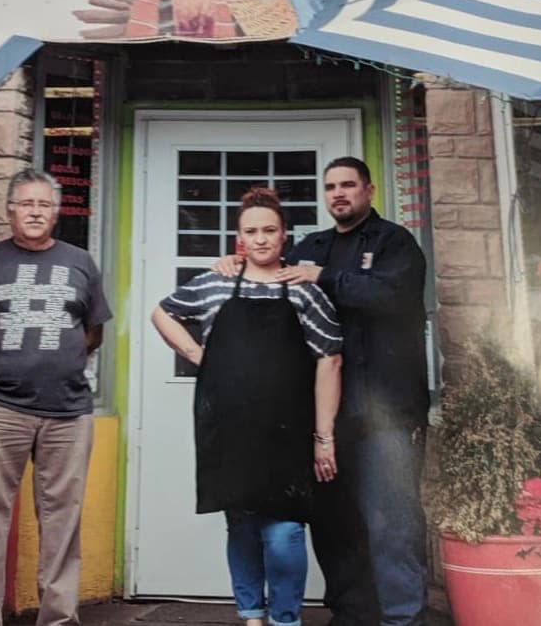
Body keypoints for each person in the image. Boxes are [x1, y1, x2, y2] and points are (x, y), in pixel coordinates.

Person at [216, 158, 430, 626]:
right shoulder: (313, 245)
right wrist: (237, 264)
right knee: (333, 523)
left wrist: (323, 277)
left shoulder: (395, 242)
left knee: (391, 521)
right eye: (330, 186)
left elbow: (391, 298)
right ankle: (352, 613)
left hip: (387, 411)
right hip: (325, 414)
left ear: (368, 190)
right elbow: (269, 276)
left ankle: (403, 617)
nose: (338, 193)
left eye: (348, 185)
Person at [153, 188, 342, 626]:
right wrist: (200, 355)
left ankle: (285, 617)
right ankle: (251, 615)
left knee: (285, 532)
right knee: (240, 525)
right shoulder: (217, 282)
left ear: (284, 236)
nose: (260, 239)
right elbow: (162, 312)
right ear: (239, 238)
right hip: (229, 429)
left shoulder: (302, 291)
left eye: (269, 231)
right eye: (251, 231)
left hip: (287, 432)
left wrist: (324, 437)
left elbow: (330, 359)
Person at [0, 168, 112, 626]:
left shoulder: (81, 262)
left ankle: (58, 618)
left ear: (56, 212)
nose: (35, 212)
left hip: (68, 414)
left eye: (44, 205)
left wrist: (50, 363)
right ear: (10, 211)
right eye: (26, 204)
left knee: (62, 520)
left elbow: (90, 334)